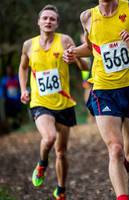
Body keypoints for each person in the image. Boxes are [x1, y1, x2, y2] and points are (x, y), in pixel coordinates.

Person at [63, 0, 129, 200]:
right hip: (103, 89)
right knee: (115, 149)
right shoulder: (87, 16)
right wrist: (73, 51)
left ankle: (124, 165)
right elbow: (92, 48)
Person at [18, 5, 88, 200]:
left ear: (57, 23)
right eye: (45, 18)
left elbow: (83, 65)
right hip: (40, 102)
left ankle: (61, 189)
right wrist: (24, 89)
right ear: (39, 22)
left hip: (64, 103)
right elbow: (23, 68)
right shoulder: (29, 45)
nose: (48, 21)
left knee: (62, 152)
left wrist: (76, 60)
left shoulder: (65, 40)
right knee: (49, 138)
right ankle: (41, 164)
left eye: (52, 19)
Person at [1, 65, 21, 129]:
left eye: (10, 70)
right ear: (6, 71)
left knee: (17, 114)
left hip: (17, 100)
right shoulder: (4, 80)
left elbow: (20, 88)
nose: (9, 71)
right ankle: (12, 126)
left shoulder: (16, 78)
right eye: (8, 70)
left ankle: (18, 124)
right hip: (9, 101)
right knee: (10, 115)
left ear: (12, 70)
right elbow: (2, 90)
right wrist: (3, 97)